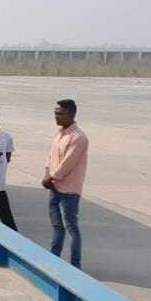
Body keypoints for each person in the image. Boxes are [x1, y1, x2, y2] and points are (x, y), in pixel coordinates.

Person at [43, 98, 90, 268]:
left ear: (70, 114)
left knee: (71, 228)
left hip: (69, 191)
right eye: (55, 113)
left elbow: (68, 163)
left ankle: (75, 264)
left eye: (59, 113)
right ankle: (54, 258)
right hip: (54, 187)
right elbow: (50, 157)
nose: (56, 116)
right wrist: (47, 174)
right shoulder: (59, 134)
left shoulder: (78, 138)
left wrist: (51, 177)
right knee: (57, 226)